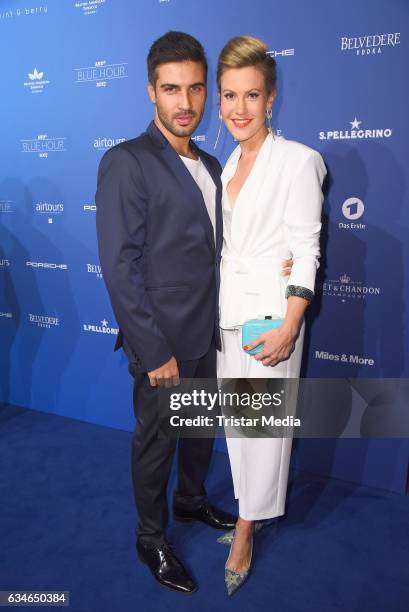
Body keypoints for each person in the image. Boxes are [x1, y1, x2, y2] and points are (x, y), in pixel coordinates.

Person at [95, 32, 238, 595]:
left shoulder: (210, 162)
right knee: (157, 442)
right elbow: (119, 264)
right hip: (162, 344)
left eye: (196, 88)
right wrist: (153, 350)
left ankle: (192, 500)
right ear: (151, 91)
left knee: (199, 431)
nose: (186, 103)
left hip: (206, 333)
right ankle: (150, 538)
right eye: (172, 89)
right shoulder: (127, 161)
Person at [215, 36, 327, 595]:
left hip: (270, 319)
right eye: (230, 96)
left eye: (251, 95)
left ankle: (245, 530)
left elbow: (306, 247)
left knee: (263, 429)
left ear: (271, 98)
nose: (240, 109)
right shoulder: (226, 162)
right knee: (239, 425)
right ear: (218, 101)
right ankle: (247, 508)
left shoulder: (299, 160)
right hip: (225, 316)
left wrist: (291, 322)